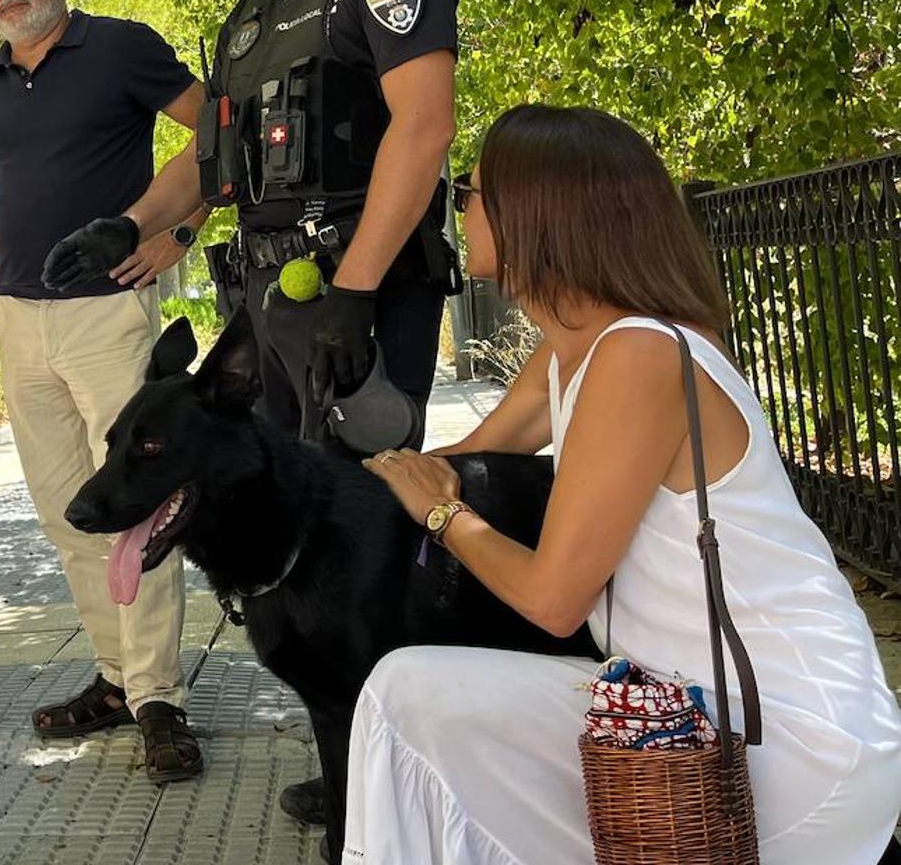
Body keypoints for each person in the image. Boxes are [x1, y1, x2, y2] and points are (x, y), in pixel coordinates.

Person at [40, 0, 462, 816]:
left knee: (371, 540)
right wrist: (129, 225)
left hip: (356, 295)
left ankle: (409, 780)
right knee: (294, 547)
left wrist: (355, 291)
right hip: (269, 312)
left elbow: (422, 127)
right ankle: (351, 759)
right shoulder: (250, 15)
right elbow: (208, 157)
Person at [346, 104, 901, 863]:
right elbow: (466, 453)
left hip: (782, 733)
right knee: (413, 700)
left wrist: (442, 516)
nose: (461, 207)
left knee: (407, 697)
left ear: (535, 212)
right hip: (673, 713)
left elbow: (552, 597)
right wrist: (349, 481)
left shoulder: (639, 355)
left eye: (469, 190)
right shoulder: (574, 351)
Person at [0, 0, 209, 781]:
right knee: (68, 513)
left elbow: (220, 128)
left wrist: (177, 227)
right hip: (21, 323)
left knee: (137, 508)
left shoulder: (121, 50)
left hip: (109, 313)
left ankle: (159, 699)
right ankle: (115, 680)